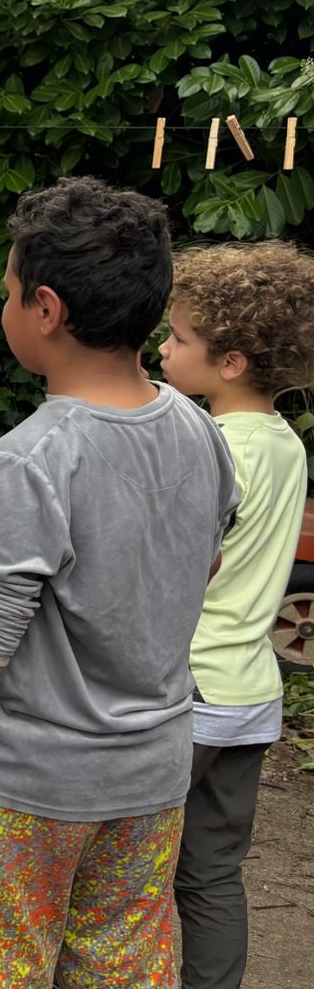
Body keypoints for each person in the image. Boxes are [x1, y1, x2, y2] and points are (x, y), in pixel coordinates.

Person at [0, 178, 239, 988]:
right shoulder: (200, 429)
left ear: (45, 308)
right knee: (122, 967)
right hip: (151, 771)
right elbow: (206, 563)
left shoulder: (27, 461)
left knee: (1, 971)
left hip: (20, 784)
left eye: (9, 291)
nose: (6, 304)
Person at [156, 240, 314, 989]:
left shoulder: (210, 445)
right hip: (249, 692)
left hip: (184, 691)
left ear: (231, 362)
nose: (163, 345)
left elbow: (190, 562)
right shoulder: (284, 444)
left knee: (130, 870)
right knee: (212, 875)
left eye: (180, 337)